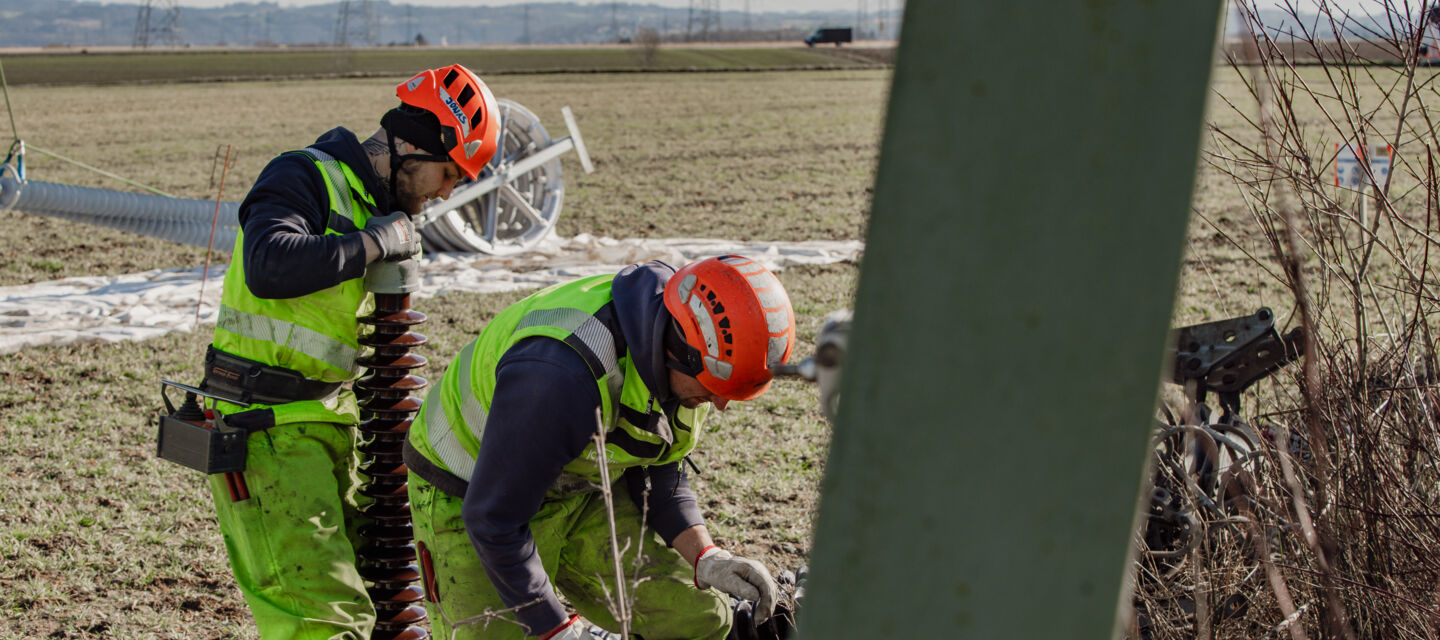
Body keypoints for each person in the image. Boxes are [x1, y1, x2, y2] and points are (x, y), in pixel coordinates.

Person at [195, 64, 500, 639]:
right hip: (264, 428)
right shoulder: (304, 176)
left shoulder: (374, 207)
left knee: (374, 595)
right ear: (410, 143)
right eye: (447, 172)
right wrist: (374, 243)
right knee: (324, 616)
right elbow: (269, 263)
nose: (446, 192)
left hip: (329, 425)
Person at [403, 255, 797, 640]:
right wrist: (556, 629)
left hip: (579, 484)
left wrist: (707, 556)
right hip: (470, 491)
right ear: (678, 351)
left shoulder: (692, 359)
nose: (722, 404)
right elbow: (493, 519)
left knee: (694, 618)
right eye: (715, 389)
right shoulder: (561, 375)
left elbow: (660, 468)